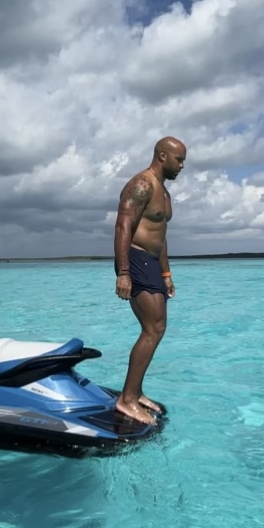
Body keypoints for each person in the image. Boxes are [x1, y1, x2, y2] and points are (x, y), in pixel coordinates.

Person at [112, 136, 186, 425]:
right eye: (179, 160)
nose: (182, 166)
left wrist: (166, 274)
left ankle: (136, 392)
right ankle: (127, 399)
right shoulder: (142, 184)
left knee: (157, 328)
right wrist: (123, 272)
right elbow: (123, 225)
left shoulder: (164, 193)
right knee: (153, 328)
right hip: (136, 258)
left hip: (152, 262)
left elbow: (161, 237)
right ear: (162, 156)